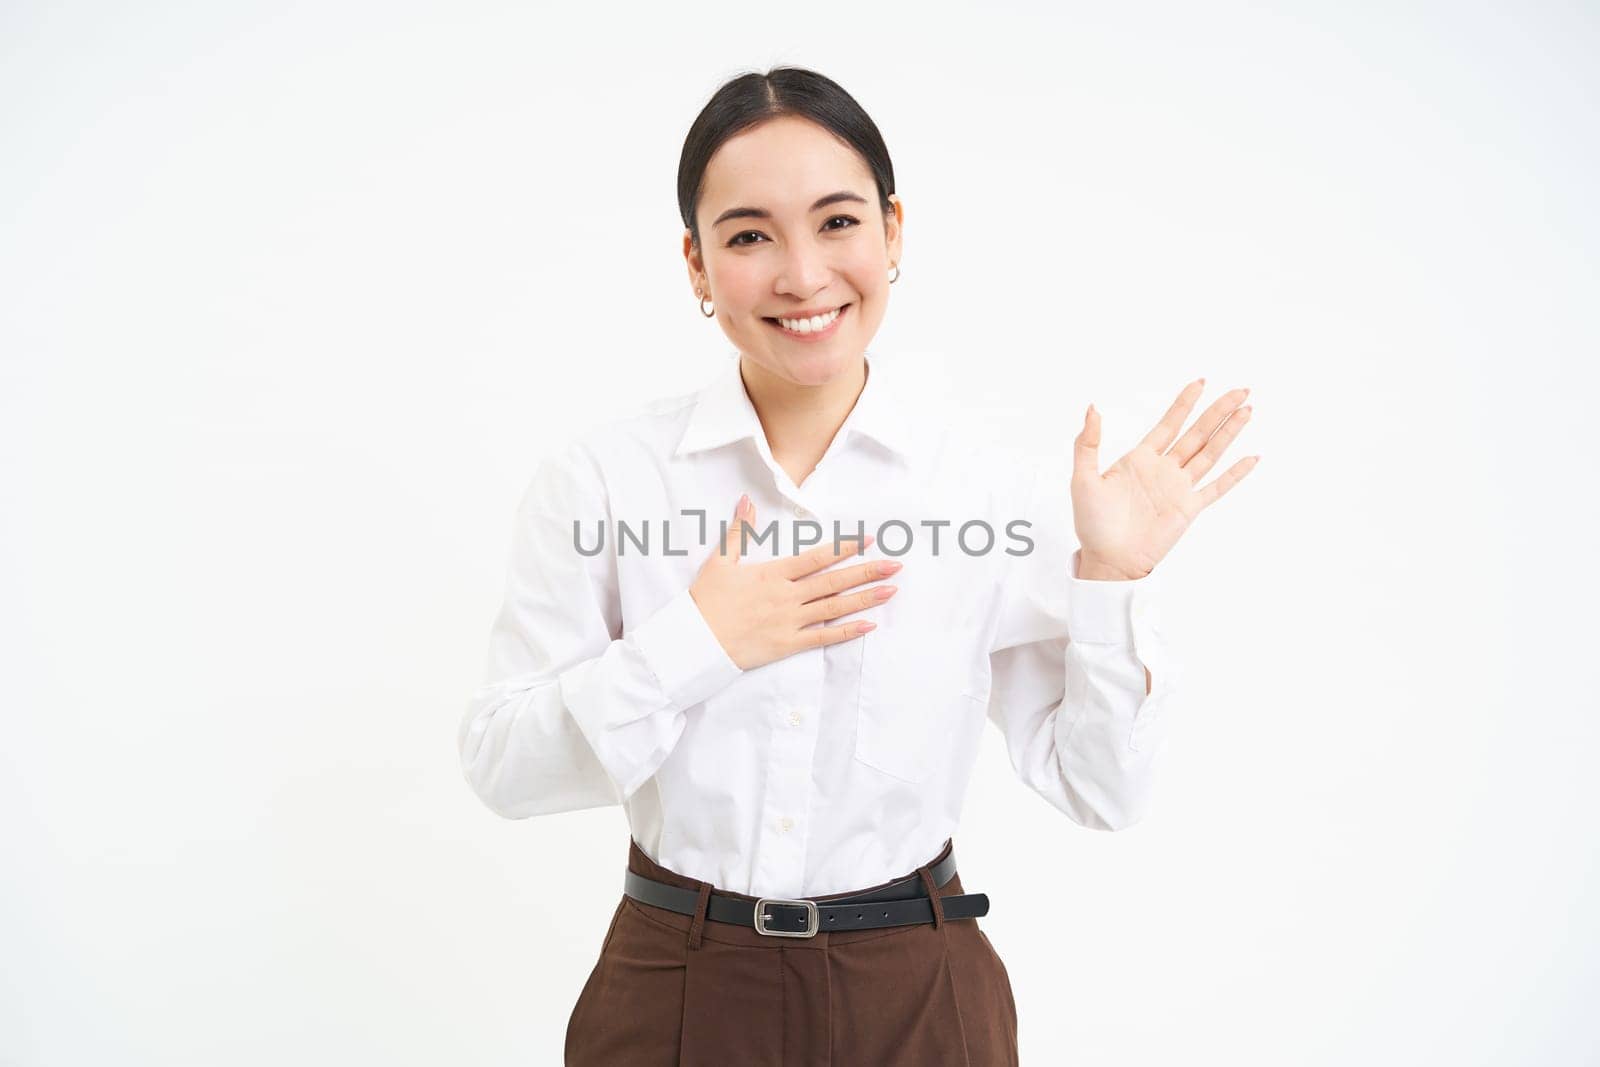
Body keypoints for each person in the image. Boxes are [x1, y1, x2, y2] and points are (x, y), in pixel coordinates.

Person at [456, 66, 1259, 1067]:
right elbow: (505, 770)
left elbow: (1101, 789)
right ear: (697, 266)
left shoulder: (981, 492)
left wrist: (1108, 577)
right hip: (675, 985)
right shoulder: (603, 483)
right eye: (749, 236)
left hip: (915, 994)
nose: (801, 274)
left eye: (836, 222)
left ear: (892, 232)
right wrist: (698, 641)